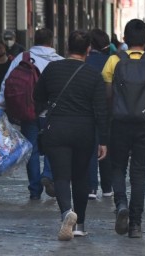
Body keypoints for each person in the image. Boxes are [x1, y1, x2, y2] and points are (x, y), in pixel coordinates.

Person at [34, 30, 108, 241]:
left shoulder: (52, 68)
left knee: (61, 176)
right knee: (81, 176)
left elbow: (36, 96)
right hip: (84, 130)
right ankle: (80, 224)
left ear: (67, 47)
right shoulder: (93, 74)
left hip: (56, 128)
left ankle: (67, 212)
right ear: (88, 50)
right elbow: (101, 110)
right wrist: (103, 140)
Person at [102, 19, 145, 238]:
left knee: (117, 168)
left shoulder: (113, 60)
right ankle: (135, 225)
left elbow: (107, 94)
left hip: (119, 122)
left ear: (124, 38)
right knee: (139, 173)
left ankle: (121, 203)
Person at [0, 28, 63, 200]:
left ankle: (35, 189)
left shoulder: (22, 58)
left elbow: (7, 83)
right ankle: (48, 174)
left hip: (28, 111)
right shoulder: (59, 61)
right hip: (52, 113)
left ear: (34, 40)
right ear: (52, 41)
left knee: (30, 149)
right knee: (52, 147)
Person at [86, 28, 113, 199]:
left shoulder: (85, 62)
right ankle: (107, 186)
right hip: (109, 110)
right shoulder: (112, 61)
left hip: (88, 110)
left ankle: (91, 188)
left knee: (90, 147)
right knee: (106, 145)